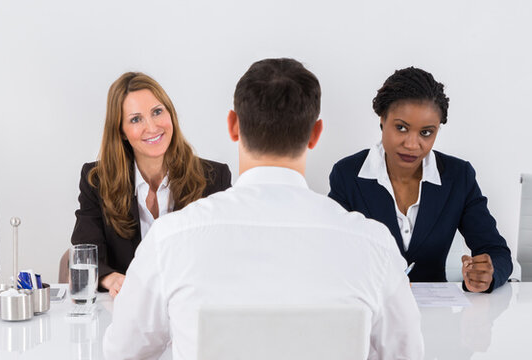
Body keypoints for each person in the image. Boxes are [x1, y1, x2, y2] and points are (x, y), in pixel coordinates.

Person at [104, 58, 423, 359]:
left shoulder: (169, 240)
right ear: (315, 134)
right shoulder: (374, 246)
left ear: (233, 126)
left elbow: (122, 352)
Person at [328, 67, 512, 293]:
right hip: (372, 309)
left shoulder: (457, 176)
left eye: (426, 132)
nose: (412, 144)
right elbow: (332, 254)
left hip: (436, 313)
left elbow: (497, 251)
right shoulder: (348, 174)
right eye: (401, 128)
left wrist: (487, 274)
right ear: (382, 119)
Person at [71, 72, 231, 297]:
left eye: (157, 112)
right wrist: (110, 277)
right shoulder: (97, 179)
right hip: (125, 311)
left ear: (170, 114)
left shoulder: (215, 178)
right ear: (121, 131)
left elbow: (225, 256)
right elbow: (86, 251)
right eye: (136, 119)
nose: (152, 127)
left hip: (190, 309)